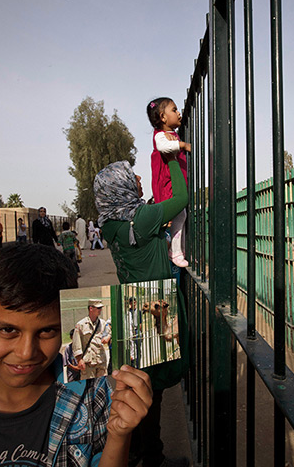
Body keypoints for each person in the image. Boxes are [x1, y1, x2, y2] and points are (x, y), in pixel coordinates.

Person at [0, 243, 153, 467]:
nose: (26, 353)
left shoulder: (93, 398)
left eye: (46, 331)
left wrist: (120, 435)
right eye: (8, 330)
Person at [94, 158, 189, 467]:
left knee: (137, 382)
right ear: (120, 187)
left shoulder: (109, 222)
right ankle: (153, 457)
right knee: (153, 389)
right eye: (130, 175)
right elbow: (182, 199)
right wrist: (172, 159)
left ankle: (134, 450)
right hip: (155, 307)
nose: (137, 177)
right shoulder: (143, 219)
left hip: (131, 306)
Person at [147, 97, 192, 268]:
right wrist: (183, 145)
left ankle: (178, 250)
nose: (179, 113)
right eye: (174, 110)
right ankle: (175, 251)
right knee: (179, 215)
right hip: (168, 185)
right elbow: (163, 147)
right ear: (163, 117)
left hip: (175, 184)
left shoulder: (170, 134)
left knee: (181, 216)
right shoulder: (160, 135)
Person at [72, 299, 110, 380]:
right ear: (91, 308)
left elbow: (109, 333)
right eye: (98, 308)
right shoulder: (81, 325)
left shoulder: (102, 323)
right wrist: (79, 360)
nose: (100, 310)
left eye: (101, 308)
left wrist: (108, 337)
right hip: (88, 363)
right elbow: (76, 345)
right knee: (89, 387)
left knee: (101, 385)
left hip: (101, 361)